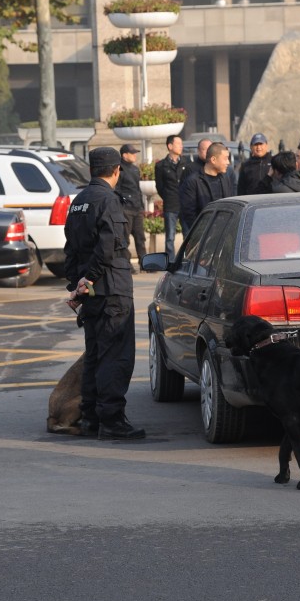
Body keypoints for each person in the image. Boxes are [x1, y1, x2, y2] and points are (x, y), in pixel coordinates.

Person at [63, 147, 144, 440]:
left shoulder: (79, 202)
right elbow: (109, 247)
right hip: (111, 290)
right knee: (116, 357)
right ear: (116, 170)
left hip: (92, 295)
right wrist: (89, 280)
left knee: (96, 356)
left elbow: (70, 250)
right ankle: (111, 420)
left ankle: (90, 419)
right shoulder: (108, 200)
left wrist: (78, 286)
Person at [179, 141, 233, 229]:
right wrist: (200, 236)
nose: (228, 162)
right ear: (213, 160)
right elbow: (189, 215)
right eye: (225, 158)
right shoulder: (193, 181)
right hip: (203, 235)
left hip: (224, 232)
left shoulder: (225, 178)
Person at [153, 134, 187, 260]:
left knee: (188, 235)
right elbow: (160, 187)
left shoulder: (186, 163)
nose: (181, 146)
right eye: (178, 144)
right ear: (170, 146)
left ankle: (186, 260)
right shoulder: (161, 165)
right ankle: (171, 262)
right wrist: (168, 196)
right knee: (170, 237)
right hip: (171, 205)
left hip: (185, 204)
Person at [117, 144, 146, 271]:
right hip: (126, 208)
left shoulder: (135, 169)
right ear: (124, 155)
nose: (135, 155)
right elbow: (117, 189)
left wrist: (141, 205)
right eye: (132, 153)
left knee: (140, 237)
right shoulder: (119, 170)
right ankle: (127, 264)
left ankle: (144, 264)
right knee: (125, 239)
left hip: (137, 208)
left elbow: (137, 189)